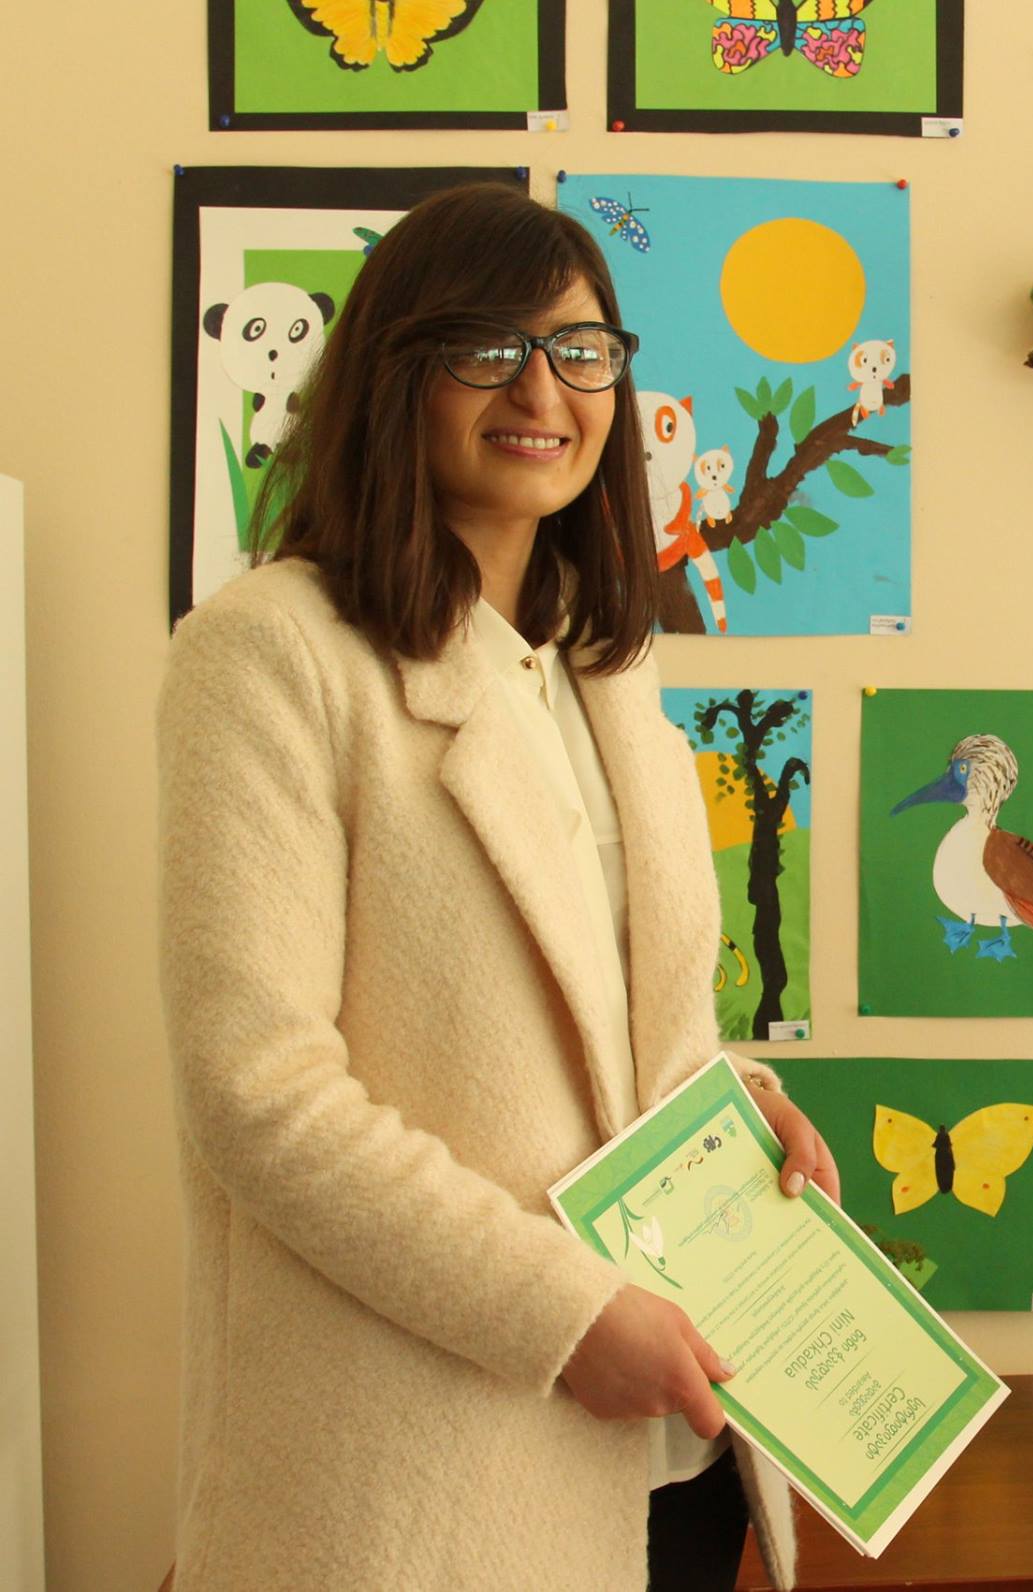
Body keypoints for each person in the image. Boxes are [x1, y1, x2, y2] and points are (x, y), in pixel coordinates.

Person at [157, 183, 834, 1592]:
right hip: (425, 1465)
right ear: (396, 371)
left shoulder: (606, 662)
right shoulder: (270, 651)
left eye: (581, 350)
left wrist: (742, 1103)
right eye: (488, 347)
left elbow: (628, 1024)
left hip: (678, 1450)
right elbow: (258, 1091)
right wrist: (562, 1313)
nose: (543, 390)